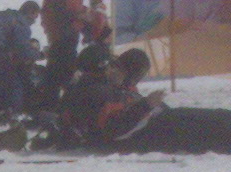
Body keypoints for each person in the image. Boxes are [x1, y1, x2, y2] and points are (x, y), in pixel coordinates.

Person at [62, 48, 231, 155]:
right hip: (149, 132)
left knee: (208, 119)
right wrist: (146, 105)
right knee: (209, 125)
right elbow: (115, 129)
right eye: (111, 66)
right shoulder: (96, 93)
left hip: (152, 124)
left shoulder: (92, 89)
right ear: (101, 67)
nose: (113, 70)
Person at [41, 0, 87, 100]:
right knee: (65, 81)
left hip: (59, 44)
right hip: (64, 44)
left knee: (53, 83)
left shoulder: (51, 6)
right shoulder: (61, 7)